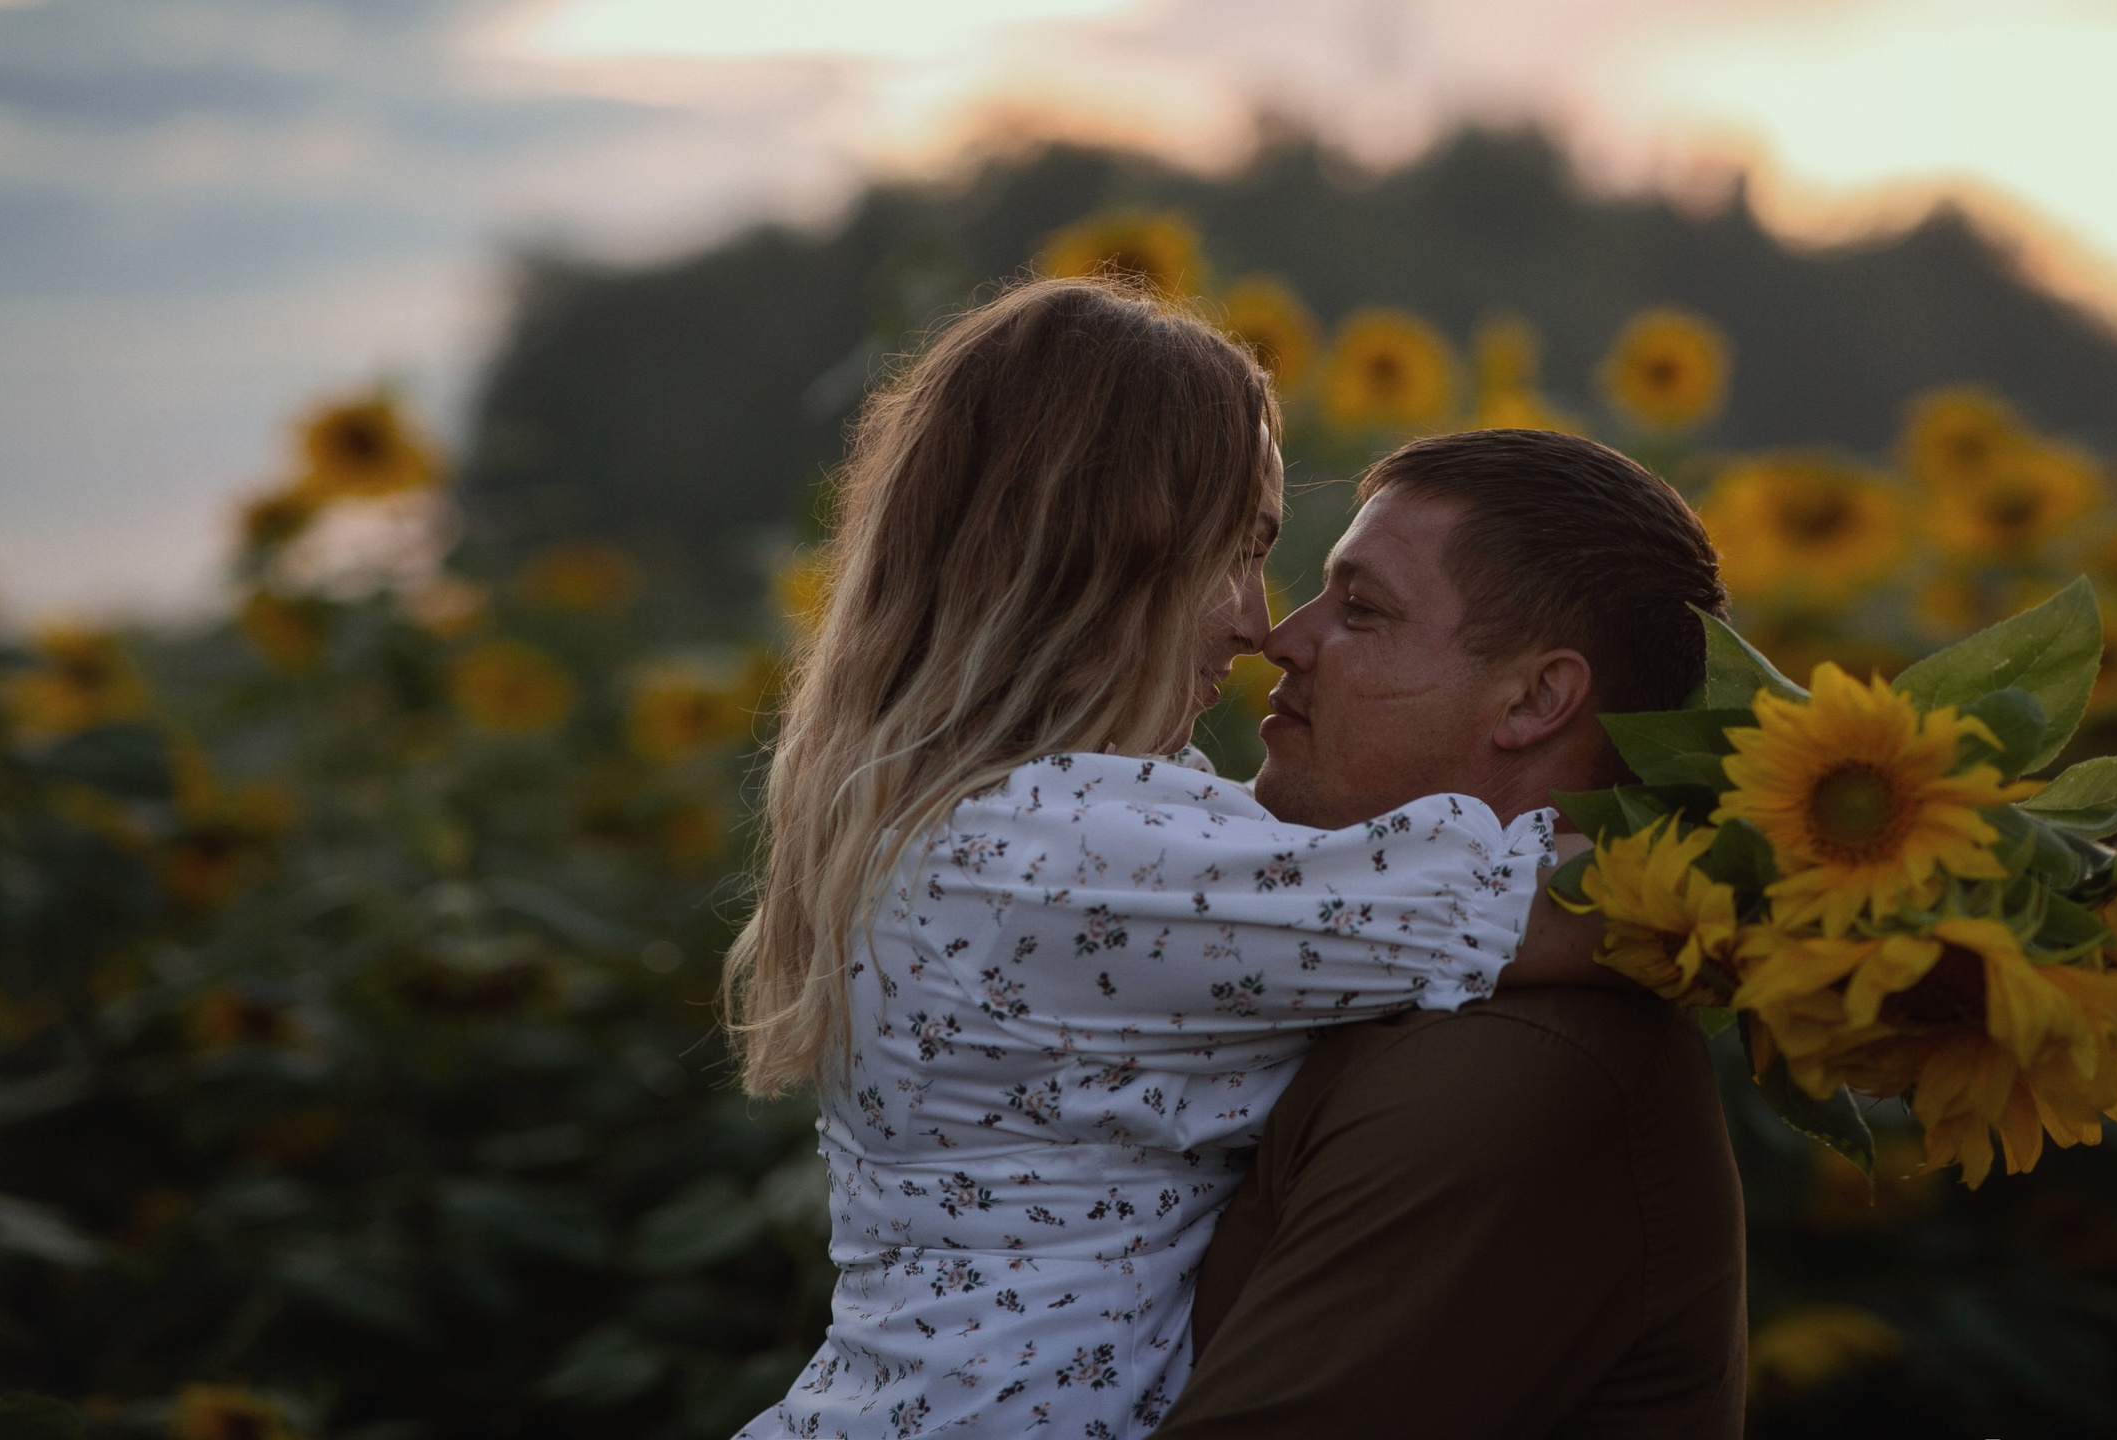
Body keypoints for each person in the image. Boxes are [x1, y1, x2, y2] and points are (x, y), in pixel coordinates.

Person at [726, 280, 1613, 1440]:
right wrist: (1825, 894)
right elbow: (1536, 903)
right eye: (1234, 553)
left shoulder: (965, 817)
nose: (1257, 623)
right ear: (1100, 555)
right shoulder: (1053, 846)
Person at [1155, 430, 1749, 1439]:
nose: (1281, 639)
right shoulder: (1376, 975)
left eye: (1361, 609)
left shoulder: (1514, 1068)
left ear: (1535, 699)